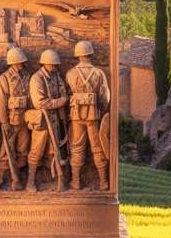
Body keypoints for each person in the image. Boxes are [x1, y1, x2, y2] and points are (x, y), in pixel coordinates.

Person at [65, 41, 110, 190]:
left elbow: (66, 95)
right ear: (90, 53)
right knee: (97, 147)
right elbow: (105, 98)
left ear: (78, 54)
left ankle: (76, 181)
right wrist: (100, 112)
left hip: (76, 117)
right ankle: (104, 182)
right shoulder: (99, 73)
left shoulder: (70, 74)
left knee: (76, 147)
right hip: (94, 116)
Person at [26, 49, 69, 192]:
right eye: (52, 64)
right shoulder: (36, 78)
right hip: (42, 121)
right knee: (36, 152)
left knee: (54, 152)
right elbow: (40, 103)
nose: (55, 67)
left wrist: (61, 99)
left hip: (54, 120)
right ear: (45, 63)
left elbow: (63, 90)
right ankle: (30, 183)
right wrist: (61, 102)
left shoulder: (55, 75)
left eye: (56, 64)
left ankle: (54, 182)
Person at [0, 47, 31, 191]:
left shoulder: (27, 76)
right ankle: (0, 178)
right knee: (7, 151)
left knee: (23, 149)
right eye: (18, 63)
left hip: (24, 120)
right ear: (12, 63)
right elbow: (1, 102)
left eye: (22, 62)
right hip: (11, 121)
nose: (21, 65)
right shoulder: (4, 79)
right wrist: (4, 122)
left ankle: (19, 178)